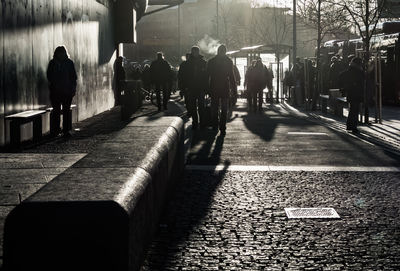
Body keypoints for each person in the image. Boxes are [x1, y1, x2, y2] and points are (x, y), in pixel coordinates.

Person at [47, 46, 77, 138]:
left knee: (66, 111)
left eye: (62, 52)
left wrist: (73, 89)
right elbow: (49, 75)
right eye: (59, 53)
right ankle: (57, 130)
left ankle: (65, 130)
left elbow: (73, 77)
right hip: (56, 91)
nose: (61, 54)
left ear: (65, 53)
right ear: (56, 53)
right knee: (57, 111)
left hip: (66, 91)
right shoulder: (53, 63)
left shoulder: (69, 63)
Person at [207, 45, 237, 136]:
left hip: (214, 87)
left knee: (215, 109)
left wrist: (207, 88)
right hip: (224, 87)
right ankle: (222, 127)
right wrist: (234, 89)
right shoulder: (228, 61)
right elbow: (231, 76)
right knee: (224, 109)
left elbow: (207, 76)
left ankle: (215, 126)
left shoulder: (211, 61)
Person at [183, 46, 208, 130]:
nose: (195, 53)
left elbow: (207, 77)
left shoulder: (203, 62)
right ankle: (195, 122)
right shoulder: (188, 63)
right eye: (194, 52)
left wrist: (206, 88)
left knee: (201, 107)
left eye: (196, 52)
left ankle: (201, 122)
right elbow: (183, 77)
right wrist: (184, 87)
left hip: (199, 88)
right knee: (193, 107)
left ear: (198, 52)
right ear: (192, 52)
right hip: (192, 88)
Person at [339, 57, 364, 133]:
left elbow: (341, 76)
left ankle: (350, 125)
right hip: (356, 93)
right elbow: (362, 79)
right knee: (355, 110)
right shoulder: (357, 71)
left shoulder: (350, 70)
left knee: (352, 110)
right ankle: (353, 126)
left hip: (351, 93)